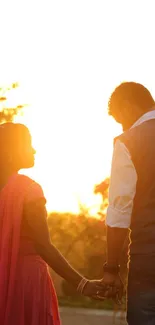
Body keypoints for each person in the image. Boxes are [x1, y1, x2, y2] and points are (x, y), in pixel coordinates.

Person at [0, 122, 105, 325]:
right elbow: (44, 246)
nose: (34, 150)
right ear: (11, 152)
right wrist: (82, 284)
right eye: (28, 144)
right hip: (26, 282)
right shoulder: (29, 190)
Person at [103, 82, 155, 324]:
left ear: (126, 107)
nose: (123, 126)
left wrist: (111, 269)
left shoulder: (129, 141)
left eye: (119, 119)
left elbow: (119, 210)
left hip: (149, 256)